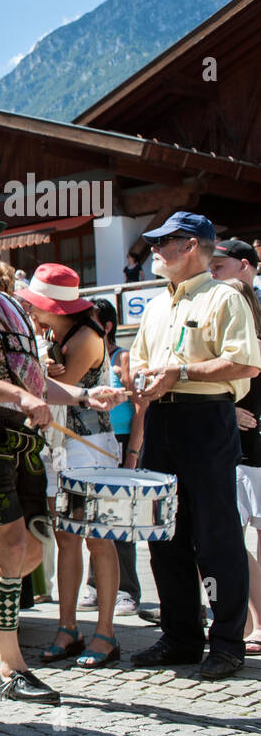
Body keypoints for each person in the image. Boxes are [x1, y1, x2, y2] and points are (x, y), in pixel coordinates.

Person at [0, 206, 123, 705]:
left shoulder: (9, 306)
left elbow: (31, 378)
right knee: (9, 550)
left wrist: (79, 397)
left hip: (22, 435)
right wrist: (18, 397)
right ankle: (11, 669)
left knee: (32, 550)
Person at [129, 212, 261, 680]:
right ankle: (181, 636)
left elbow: (244, 364)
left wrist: (180, 373)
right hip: (163, 418)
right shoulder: (157, 303)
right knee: (163, 533)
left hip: (205, 420)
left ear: (189, 246)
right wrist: (137, 381)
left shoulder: (225, 297)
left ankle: (227, 642)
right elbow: (144, 363)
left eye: (163, 243)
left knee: (216, 533)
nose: (154, 252)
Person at [16, 264, 122, 668]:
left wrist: (39, 369)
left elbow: (54, 392)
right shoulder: (53, 335)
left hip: (88, 446)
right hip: (59, 447)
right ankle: (68, 626)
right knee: (66, 538)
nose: (31, 313)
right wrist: (42, 361)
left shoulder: (87, 337)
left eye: (36, 307)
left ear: (54, 309)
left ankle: (106, 632)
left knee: (97, 538)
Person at [206, 275, 261, 654]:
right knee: (229, 543)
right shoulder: (223, 348)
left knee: (240, 543)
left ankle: (254, 623)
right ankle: (242, 622)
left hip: (249, 455)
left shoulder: (248, 349)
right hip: (231, 453)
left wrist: (230, 410)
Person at [81, 298, 140, 615]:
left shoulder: (123, 357)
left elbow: (140, 407)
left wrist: (132, 451)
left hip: (119, 443)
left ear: (106, 326)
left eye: (91, 319)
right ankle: (95, 586)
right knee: (95, 519)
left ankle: (127, 591)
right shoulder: (84, 356)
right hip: (92, 443)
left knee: (121, 520)